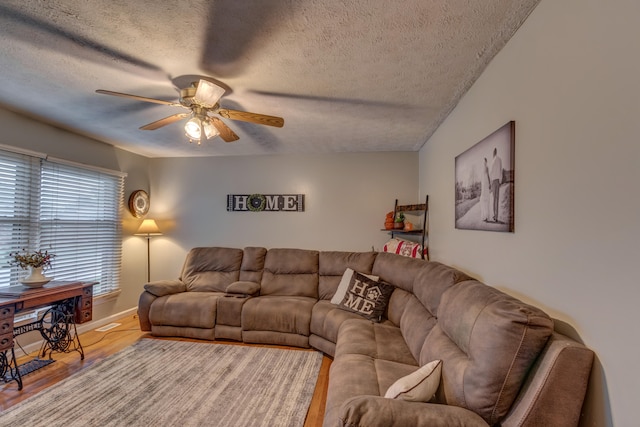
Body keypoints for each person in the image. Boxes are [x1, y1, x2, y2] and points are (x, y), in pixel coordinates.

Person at [489, 148, 502, 222]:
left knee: (494, 199)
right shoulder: (500, 159)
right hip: (498, 181)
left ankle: (494, 216)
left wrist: (490, 183)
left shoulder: (493, 161)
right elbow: (500, 170)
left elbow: (491, 172)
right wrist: (500, 180)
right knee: (497, 198)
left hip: (494, 181)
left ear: (493, 153)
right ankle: (496, 216)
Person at [480, 157, 491, 222]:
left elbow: (486, 176)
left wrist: (488, 183)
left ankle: (485, 216)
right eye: (485, 162)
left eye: (485, 162)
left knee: (485, 199)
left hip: (484, 184)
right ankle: (485, 215)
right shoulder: (486, 168)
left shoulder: (484, 169)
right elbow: (488, 175)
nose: (485, 163)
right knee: (485, 199)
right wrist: (489, 183)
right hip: (485, 184)